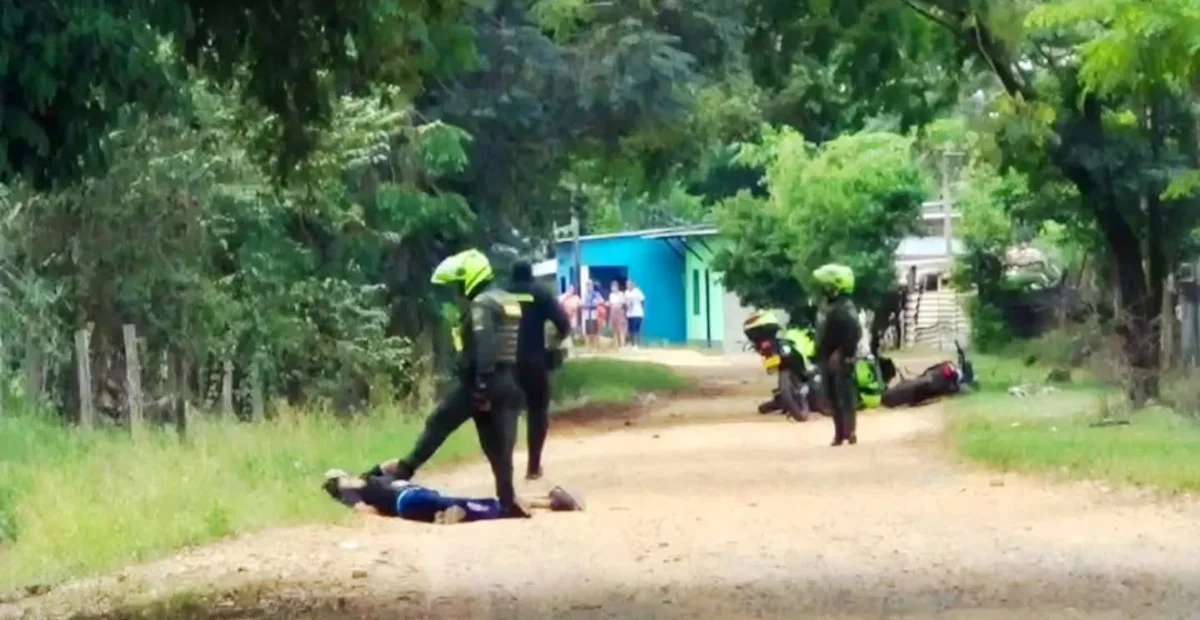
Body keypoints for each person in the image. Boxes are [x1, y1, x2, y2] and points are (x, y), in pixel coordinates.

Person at [363, 249, 529, 518]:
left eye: (459, 284)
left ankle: (402, 471)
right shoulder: (507, 300)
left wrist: (481, 387)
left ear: (469, 278)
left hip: (481, 381)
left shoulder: (482, 305)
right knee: (498, 448)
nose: (457, 292)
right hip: (507, 381)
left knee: (439, 423)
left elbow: (485, 345)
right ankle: (507, 499)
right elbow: (511, 345)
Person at [323, 468, 584, 524]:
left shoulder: (370, 479)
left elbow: (392, 465)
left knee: (462, 502)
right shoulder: (352, 490)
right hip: (407, 502)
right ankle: (546, 504)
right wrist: (384, 511)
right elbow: (361, 509)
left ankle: (549, 502)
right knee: (466, 505)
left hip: (418, 495)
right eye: (341, 476)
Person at [507, 260, 572, 481]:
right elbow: (563, 324)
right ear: (531, 275)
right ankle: (533, 466)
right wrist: (553, 343)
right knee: (537, 411)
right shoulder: (541, 294)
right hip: (534, 361)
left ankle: (504, 467)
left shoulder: (500, 294)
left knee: (506, 414)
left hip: (505, 364)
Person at [812, 263, 863, 447]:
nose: (824, 289)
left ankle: (850, 432)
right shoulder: (826, 304)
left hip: (841, 358)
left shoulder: (846, 306)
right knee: (832, 396)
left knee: (845, 394)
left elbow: (855, 332)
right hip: (826, 356)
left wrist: (842, 352)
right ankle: (838, 433)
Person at [583, 281, 605, 349]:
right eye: (587, 286)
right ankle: (588, 346)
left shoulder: (596, 294)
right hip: (587, 314)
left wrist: (595, 304)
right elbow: (582, 302)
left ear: (592, 286)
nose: (589, 287)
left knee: (595, 331)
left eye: (590, 285)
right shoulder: (585, 294)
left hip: (594, 314)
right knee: (588, 331)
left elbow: (602, 301)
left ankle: (595, 346)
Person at [625, 280, 645, 349]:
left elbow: (642, 300)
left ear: (633, 285)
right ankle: (632, 344)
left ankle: (637, 344)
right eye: (627, 285)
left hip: (637, 313)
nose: (628, 286)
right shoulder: (626, 292)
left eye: (629, 284)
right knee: (630, 330)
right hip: (629, 314)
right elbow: (626, 303)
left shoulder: (638, 292)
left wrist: (640, 309)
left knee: (636, 329)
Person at [608, 281, 627, 349]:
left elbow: (622, 303)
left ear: (617, 287)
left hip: (619, 312)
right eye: (611, 287)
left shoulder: (621, 294)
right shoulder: (611, 295)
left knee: (620, 329)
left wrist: (617, 306)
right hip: (613, 312)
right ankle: (616, 345)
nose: (612, 288)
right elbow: (610, 304)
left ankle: (622, 345)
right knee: (614, 329)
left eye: (613, 287)